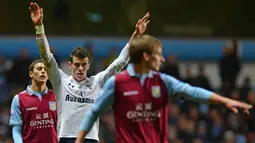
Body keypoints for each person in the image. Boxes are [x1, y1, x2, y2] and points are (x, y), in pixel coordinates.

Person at [75, 34, 253, 143]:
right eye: (158, 55)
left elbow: (193, 92)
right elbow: (94, 113)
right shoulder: (117, 83)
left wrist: (225, 101)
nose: (163, 60)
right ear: (146, 57)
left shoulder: (163, 81)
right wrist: (79, 140)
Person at [29, 2, 150, 143]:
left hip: (90, 139)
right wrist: (39, 27)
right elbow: (46, 56)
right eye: (77, 65)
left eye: (83, 65)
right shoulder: (61, 81)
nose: (80, 68)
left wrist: (136, 36)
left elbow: (120, 62)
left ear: (89, 66)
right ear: (70, 65)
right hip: (65, 138)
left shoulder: (96, 82)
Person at [9, 60, 58, 143]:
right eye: (39, 69)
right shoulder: (19, 99)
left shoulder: (56, 97)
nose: (43, 71)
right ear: (31, 74)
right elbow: (17, 128)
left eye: (45, 70)